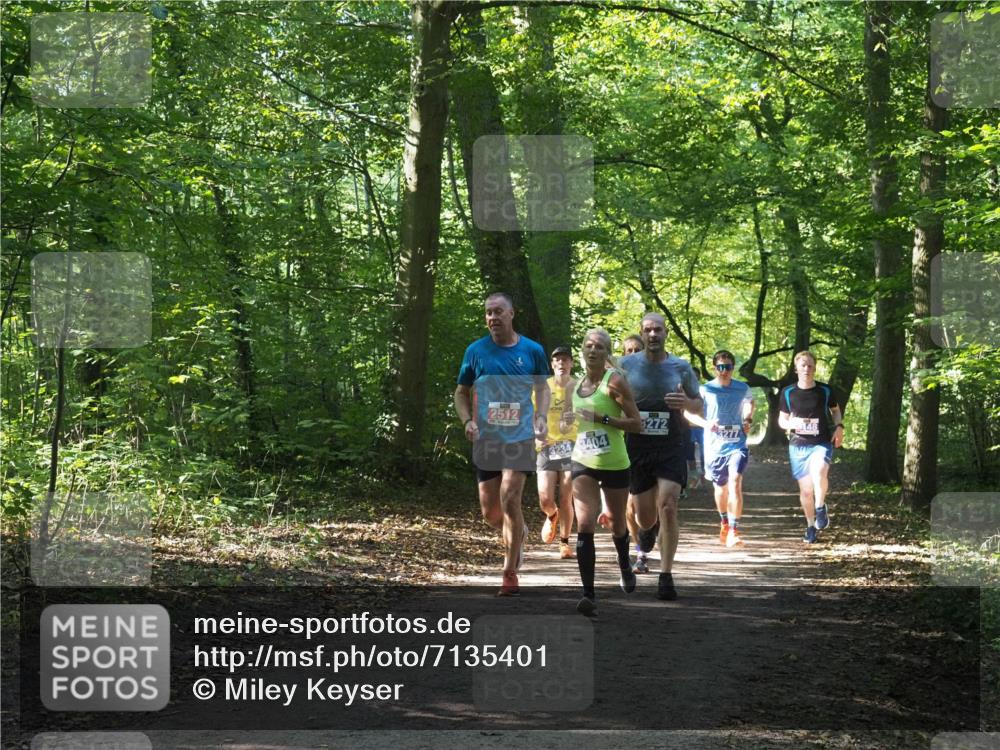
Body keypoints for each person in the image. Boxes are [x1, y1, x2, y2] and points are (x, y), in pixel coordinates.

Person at [455, 292, 550, 595]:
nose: (493, 318)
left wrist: (542, 415)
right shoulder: (475, 351)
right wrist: (467, 420)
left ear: (512, 314)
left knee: (511, 497)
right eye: (488, 313)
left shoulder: (532, 350)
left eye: (498, 312)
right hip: (487, 438)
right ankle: (519, 531)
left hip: (520, 436)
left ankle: (509, 572)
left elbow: (543, 388)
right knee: (491, 514)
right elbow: (461, 392)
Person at [619, 313, 702, 601]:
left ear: (666, 333)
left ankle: (666, 576)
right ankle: (647, 531)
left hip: (672, 443)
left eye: (657, 330)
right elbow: (609, 395)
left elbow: (700, 406)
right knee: (644, 516)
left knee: (668, 505)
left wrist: (687, 403)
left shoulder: (680, 367)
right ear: (641, 334)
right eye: (647, 330)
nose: (653, 334)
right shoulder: (626, 365)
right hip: (638, 445)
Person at [564, 328, 642, 616]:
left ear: (607, 352)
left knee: (618, 524)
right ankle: (588, 595)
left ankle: (624, 562)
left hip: (614, 462)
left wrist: (603, 417)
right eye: (588, 346)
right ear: (582, 352)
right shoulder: (576, 386)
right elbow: (574, 424)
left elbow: (636, 423)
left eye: (599, 346)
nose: (593, 350)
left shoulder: (616, 381)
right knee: (584, 525)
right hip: (582, 460)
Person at [685, 350, 754, 548]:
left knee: (735, 481)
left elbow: (750, 402)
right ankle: (724, 522)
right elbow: (688, 413)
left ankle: (734, 529)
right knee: (720, 488)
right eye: (721, 367)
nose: (724, 371)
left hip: (737, 444)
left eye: (728, 367)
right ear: (715, 368)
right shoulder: (705, 390)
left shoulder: (742, 388)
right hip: (714, 447)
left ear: (733, 368)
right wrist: (706, 424)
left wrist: (747, 419)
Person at [778, 351, 845, 544]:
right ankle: (810, 526)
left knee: (819, 472)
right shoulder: (788, 392)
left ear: (815, 368)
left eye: (810, 365)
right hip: (798, 445)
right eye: (803, 365)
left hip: (821, 442)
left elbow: (835, 411)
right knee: (806, 490)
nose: (807, 369)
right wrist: (792, 424)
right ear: (796, 368)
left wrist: (839, 427)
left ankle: (820, 506)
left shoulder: (824, 390)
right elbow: (781, 420)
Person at [534, 346, 577, 559]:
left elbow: (589, 413)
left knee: (566, 495)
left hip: (572, 445)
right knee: (545, 498)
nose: (561, 363)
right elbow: (532, 415)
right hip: (547, 446)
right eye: (557, 360)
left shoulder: (579, 387)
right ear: (552, 365)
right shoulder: (543, 387)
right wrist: (535, 433)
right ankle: (552, 515)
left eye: (565, 360)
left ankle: (565, 542)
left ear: (571, 364)